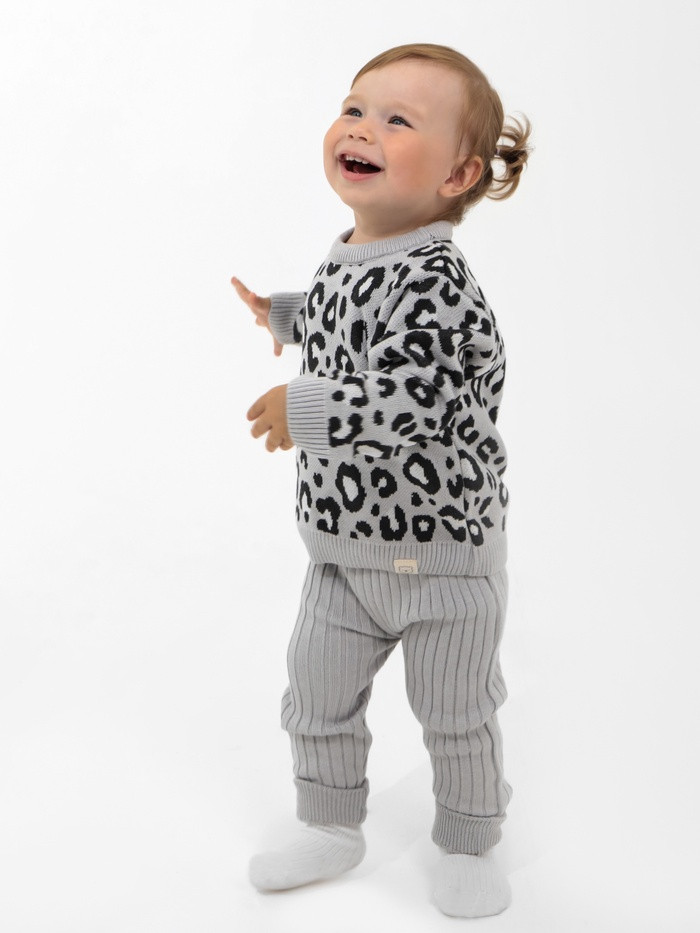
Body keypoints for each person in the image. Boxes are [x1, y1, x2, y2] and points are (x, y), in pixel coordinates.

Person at [231, 42, 532, 919]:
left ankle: (468, 840)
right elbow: (348, 319)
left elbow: (417, 395)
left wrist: (305, 405)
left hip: (443, 559)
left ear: (458, 175)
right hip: (343, 552)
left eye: (398, 121)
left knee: (455, 712)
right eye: (355, 108)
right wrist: (288, 314)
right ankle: (331, 823)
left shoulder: (439, 280)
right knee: (315, 694)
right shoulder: (355, 251)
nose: (361, 128)